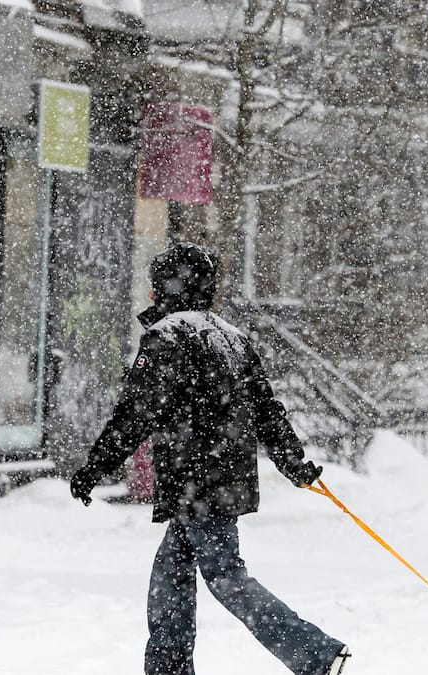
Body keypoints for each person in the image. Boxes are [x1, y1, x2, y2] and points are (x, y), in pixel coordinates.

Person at [69, 242, 350, 675]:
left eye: (157, 283)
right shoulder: (232, 338)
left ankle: (314, 654)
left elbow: (136, 412)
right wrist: (292, 462)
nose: (151, 293)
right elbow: (267, 411)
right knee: (170, 579)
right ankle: (168, 669)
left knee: (226, 578)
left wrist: (96, 467)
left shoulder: (168, 337)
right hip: (216, 484)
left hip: (195, 484)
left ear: (169, 285)